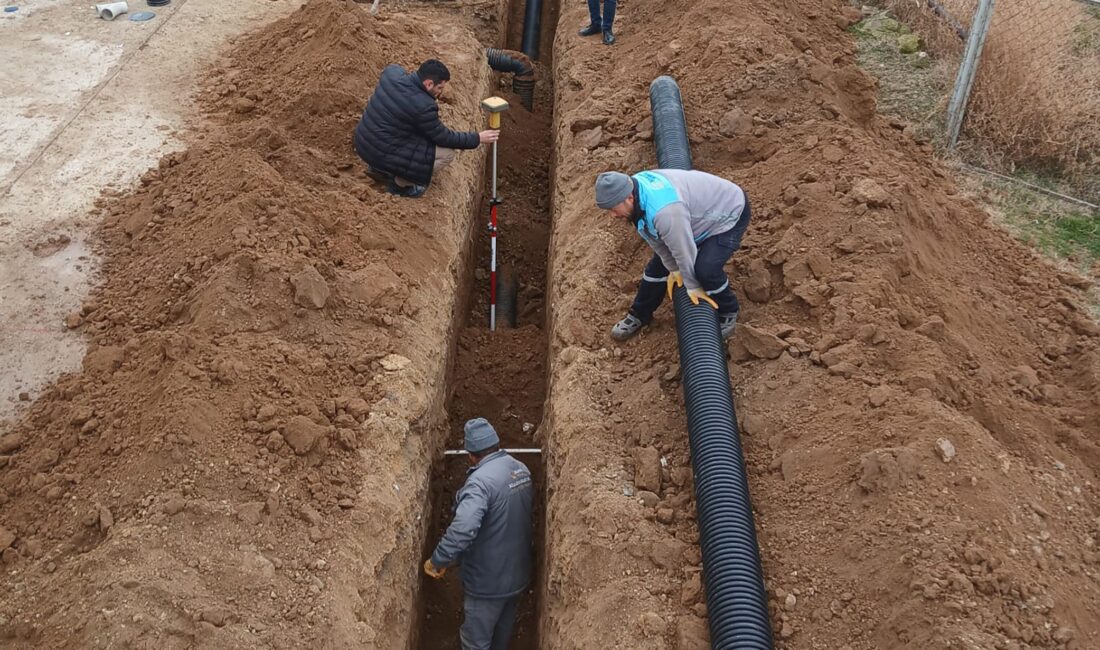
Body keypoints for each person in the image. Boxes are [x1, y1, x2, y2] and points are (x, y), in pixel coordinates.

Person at [594, 168, 752, 341]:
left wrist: (693, 285)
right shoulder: (634, 190)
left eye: (613, 208)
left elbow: (684, 251)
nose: (612, 215)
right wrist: (673, 268)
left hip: (727, 213)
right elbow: (654, 239)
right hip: (694, 216)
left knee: (706, 270)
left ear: (629, 198)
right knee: (656, 270)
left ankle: (729, 309)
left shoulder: (665, 213)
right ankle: (639, 314)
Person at [424, 418, 534, 650]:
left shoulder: (480, 484)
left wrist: (438, 560)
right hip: (517, 574)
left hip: (487, 583)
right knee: (502, 631)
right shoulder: (520, 469)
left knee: (475, 641)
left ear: (471, 455)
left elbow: (464, 528)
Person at [353, 59, 500, 198]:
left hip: (363, 144)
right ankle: (400, 185)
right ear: (429, 83)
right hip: (382, 153)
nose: (440, 93)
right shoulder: (424, 106)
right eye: (439, 87)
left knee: (411, 132)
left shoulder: (392, 74)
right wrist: (478, 138)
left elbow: (395, 69)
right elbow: (444, 138)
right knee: (447, 154)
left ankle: (377, 169)